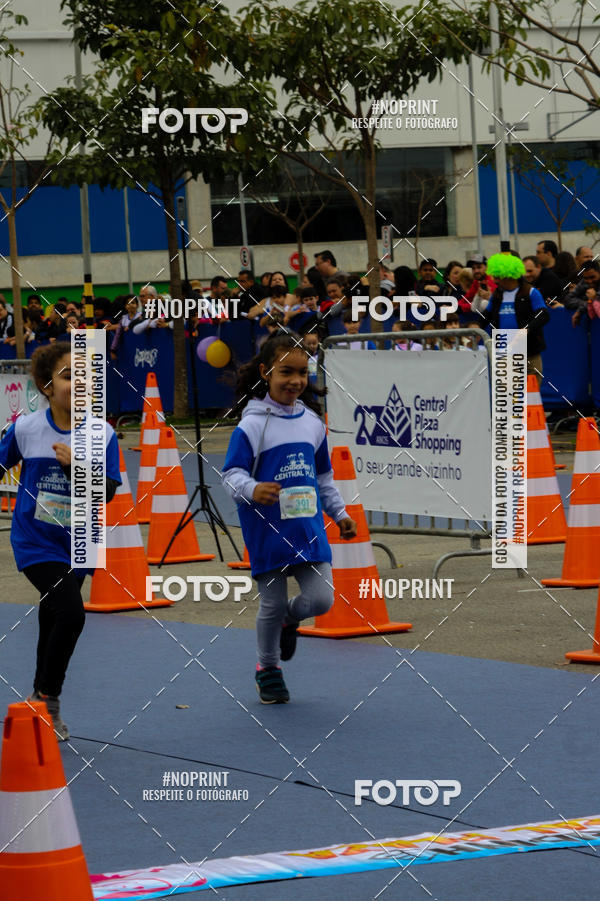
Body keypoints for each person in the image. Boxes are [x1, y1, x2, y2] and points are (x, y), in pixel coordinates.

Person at [221, 334, 357, 704]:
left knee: (321, 600)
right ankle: (268, 669)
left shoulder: (312, 423)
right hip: (267, 530)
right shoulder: (251, 425)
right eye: (286, 372)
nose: (295, 380)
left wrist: (340, 513)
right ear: (266, 373)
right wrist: (252, 489)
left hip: (308, 529)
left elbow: (324, 477)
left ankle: (289, 621)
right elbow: (231, 475)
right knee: (271, 603)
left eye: (302, 372)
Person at [0, 344, 121, 739]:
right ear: (46, 385)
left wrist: (77, 468)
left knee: (53, 616)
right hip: (35, 540)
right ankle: (48, 699)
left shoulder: (101, 433)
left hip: (80, 540)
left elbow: (106, 493)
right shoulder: (26, 429)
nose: (80, 384)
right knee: (71, 613)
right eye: (70, 376)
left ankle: (40, 696)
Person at [481, 253, 549, 386]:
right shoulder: (497, 295)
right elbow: (485, 316)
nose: (495, 280)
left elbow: (543, 314)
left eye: (497, 277)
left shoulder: (531, 292)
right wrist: (474, 327)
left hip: (529, 350)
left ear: (508, 276)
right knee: (508, 396)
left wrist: (527, 328)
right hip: (504, 350)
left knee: (530, 394)